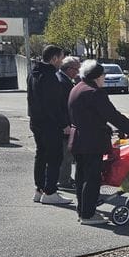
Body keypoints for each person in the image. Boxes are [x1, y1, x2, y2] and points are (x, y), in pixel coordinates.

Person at [69, 60, 129, 225]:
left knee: (81, 176)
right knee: (92, 178)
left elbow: (91, 116)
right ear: (97, 76)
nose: (104, 78)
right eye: (103, 75)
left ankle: (83, 211)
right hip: (91, 141)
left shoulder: (77, 88)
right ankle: (88, 215)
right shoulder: (95, 93)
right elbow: (114, 116)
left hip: (78, 139)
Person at [26, 45, 71, 205]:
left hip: (36, 121)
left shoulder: (34, 73)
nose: (62, 61)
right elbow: (54, 105)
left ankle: (39, 189)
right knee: (54, 157)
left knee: (41, 155)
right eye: (61, 58)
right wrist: (64, 124)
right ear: (54, 59)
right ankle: (50, 191)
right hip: (50, 124)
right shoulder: (51, 76)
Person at [56, 56, 81, 190]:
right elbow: (59, 106)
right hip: (64, 125)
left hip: (66, 123)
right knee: (65, 154)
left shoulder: (64, 79)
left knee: (66, 153)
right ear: (70, 69)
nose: (78, 72)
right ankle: (63, 181)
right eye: (77, 69)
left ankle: (64, 178)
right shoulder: (62, 81)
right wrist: (65, 124)